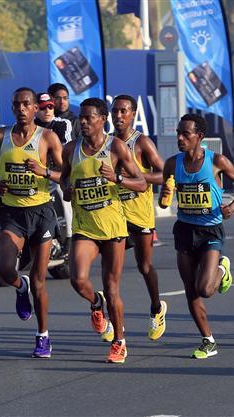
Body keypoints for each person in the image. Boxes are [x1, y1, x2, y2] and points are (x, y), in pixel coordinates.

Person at [0, 87, 64, 358]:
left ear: (35, 108)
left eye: (26, 104)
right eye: (17, 104)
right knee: (4, 269)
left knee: (39, 281)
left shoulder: (47, 137)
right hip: (12, 213)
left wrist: (44, 171)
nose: (21, 109)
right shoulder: (0, 136)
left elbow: (66, 174)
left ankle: (43, 336)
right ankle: (20, 286)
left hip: (41, 214)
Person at [61, 97, 147, 364]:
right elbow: (64, 180)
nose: (83, 122)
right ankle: (96, 303)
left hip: (112, 228)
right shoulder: (71, 149)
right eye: (81, 118)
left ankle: (119, 341)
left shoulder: (116, 147)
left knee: (112, 289)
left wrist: (116, 178)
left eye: (89, 118)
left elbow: (142, 183)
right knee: (78, 279)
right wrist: (68, 190)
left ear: (102, 120)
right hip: (84, 227)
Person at [159, 113, 234, 359]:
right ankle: (208, 340)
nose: (180, 138)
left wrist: (232, 207)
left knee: (206, 289)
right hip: (184, 229)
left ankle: (222, 268)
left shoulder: (216, 161)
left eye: (185, 134)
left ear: (199, 136)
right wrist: (165, 195)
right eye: (178, 133)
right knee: (191, 290)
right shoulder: (172, 164)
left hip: (210, 230)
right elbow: (164, 199)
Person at [111, 94, 167, 340]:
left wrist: (136, 178)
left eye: (123, 111)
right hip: (114, 215)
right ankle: (115, 323)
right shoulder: (108, 143)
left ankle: (156, 307)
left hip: (140, 215)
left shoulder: (141, 142)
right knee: (112, 270)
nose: (118, 116)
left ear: (133, 114)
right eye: (115, 111)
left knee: (144, 266)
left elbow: (165, 173)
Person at [35, 92, 73, 254]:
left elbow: (64, 151)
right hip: (35, 174)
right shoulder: (30, 125)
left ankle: (69, 239)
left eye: (50, 107)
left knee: (61, 191)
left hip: (58, 172)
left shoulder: (62, 124)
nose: (47, 111)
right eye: (43, 108)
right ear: (36, 109)